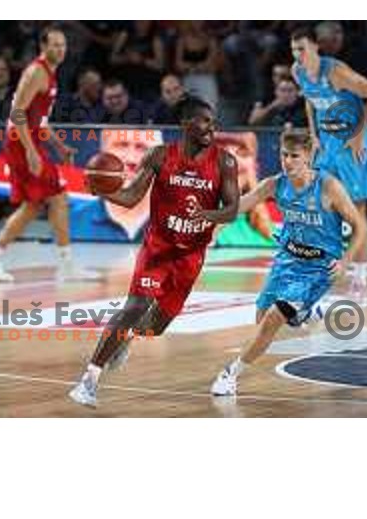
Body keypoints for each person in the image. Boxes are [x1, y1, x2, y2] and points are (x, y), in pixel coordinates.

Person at [69, 95, 240, 407]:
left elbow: (231, 210)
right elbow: (133, 196)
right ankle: (89, 380)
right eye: (204, 121)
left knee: (155, 327)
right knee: (135, 306)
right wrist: (101, 190)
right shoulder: (160, 156)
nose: (210, 128)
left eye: (213, 122)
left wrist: (208, 216)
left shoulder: (224, 161)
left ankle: (128, 338)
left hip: (190, 257)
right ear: (185, 124)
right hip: (158, 249)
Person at [211, 129, 367, 396]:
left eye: (294, 156)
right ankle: (303, 314)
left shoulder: (329, 187)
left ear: (309, 156)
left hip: (318, 268)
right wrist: (211, 220)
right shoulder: (275, 184)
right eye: (284, 155)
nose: (288, 161)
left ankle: (230, 373)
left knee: (273, 319)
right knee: (261, 321)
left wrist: (345, 262)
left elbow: (360, 227)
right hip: (287, 260)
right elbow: (241, 205)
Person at [0, 26, 94, 283]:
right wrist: (30, 151)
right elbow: (16, 113)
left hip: (26, 142)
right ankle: (66, 265)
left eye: (63, 45)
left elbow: (39, 120)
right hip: (20, 143)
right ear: (43, 47)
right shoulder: (36, 72)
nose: (60, 50)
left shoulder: (51, 74)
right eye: (55, 45)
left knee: (33, 205)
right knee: (58, 197)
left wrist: (59, 146)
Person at [290, 26, 367, 298]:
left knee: (356, 210)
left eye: (302, 49)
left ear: (315, 47)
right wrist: (313, 133)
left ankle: (360, 276)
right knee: (319, 204)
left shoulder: (336, 73)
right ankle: (319, 270)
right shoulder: (297, 72)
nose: (298, 55)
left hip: (351, 143)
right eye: (294, 50)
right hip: (327, 142)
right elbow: (310, 99)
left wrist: (358, 136)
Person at [69, 129, 163, 242]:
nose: (131, 159)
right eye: (121, 146)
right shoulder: (70, 223)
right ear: (101, 154)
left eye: (142, 148)